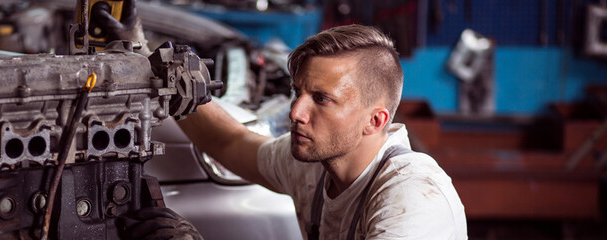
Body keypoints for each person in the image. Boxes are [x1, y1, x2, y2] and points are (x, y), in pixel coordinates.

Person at [176, 24, 468, 239]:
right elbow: (230, 143)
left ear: (375, 121)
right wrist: (177, 89)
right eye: (297, 92)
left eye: (322, 99)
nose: (295, 112)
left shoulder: (413, 199)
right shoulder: (314, 164)